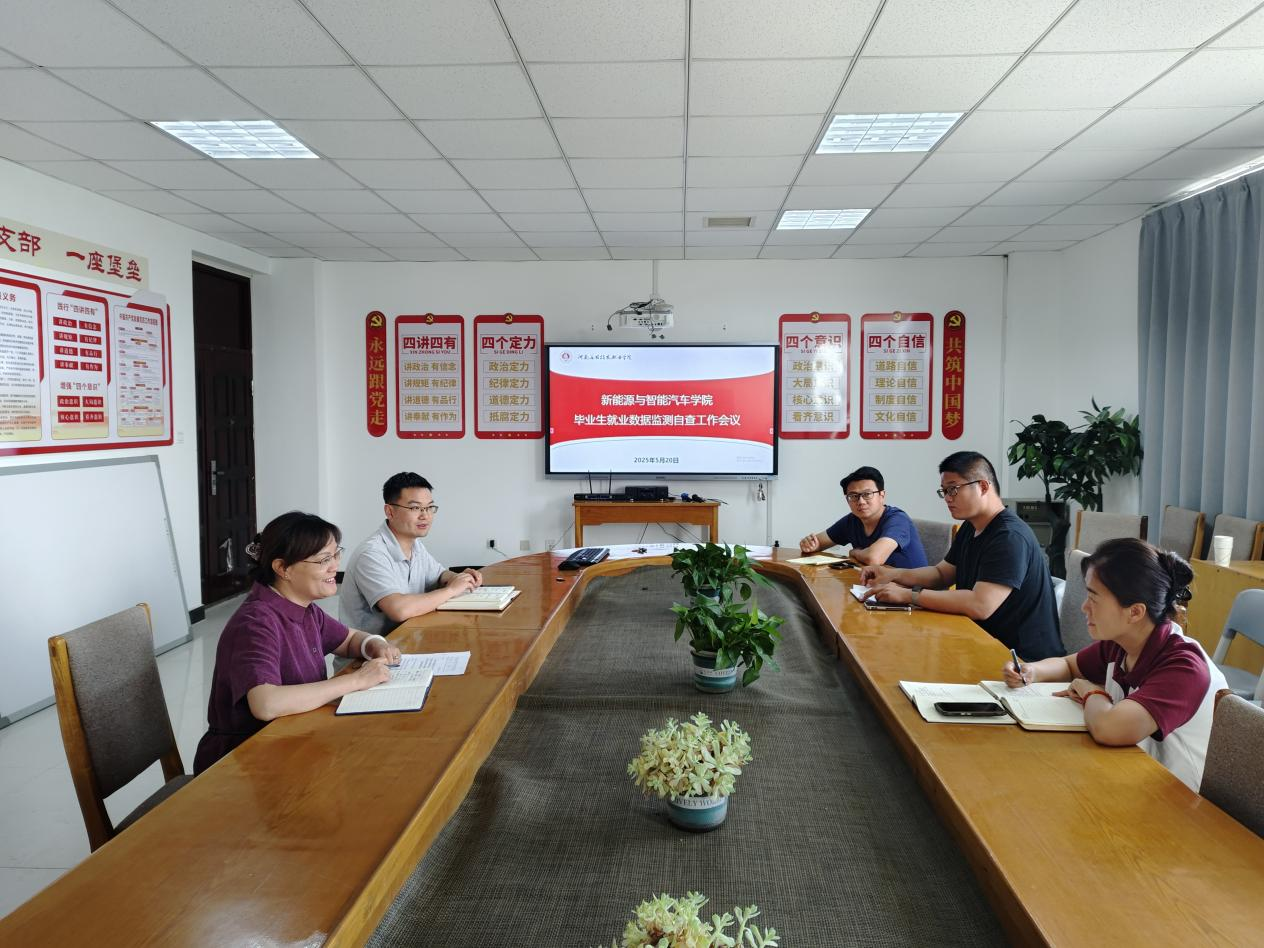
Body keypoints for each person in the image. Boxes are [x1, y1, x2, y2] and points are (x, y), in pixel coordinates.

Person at [1001, 538, 1227, 791]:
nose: (1084, 607)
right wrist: (1032, 671)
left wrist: (1090, 690)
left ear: (1135, 612)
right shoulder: (1123, 641)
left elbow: (1108, 728)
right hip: (1135, 775)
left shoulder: (1184, 667)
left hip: (1180, 798)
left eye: (1094, 598)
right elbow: (1069, 666)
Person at [193, 511, 402, 774]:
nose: (334, 566)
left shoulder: (304, 608)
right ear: (283, 568)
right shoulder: (255, 622)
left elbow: (348, 638)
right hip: (242, 764)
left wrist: (374, 644)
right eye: (323, 560)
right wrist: (356, 680)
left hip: (294, 740)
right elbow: (266, 704)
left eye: (336, 555)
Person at [861, 451, 1063, 661]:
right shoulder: (971, 526)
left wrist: (908, 595)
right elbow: (941, 574)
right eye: (944, 491)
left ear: (983, 486)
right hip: (979, 640)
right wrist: (892, 575)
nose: (948, 498)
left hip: (1021, 661)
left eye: (953, 489)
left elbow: (980, 605)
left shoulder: (1009, 536)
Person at [340, 472, 483, 636]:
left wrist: (460, 578)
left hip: (407, 637)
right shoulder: (371, 554)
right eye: (415, 508)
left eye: (429, 507)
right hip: (372, 650)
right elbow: (399, 610)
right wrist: (451, 590)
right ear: (390, 511)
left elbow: (439, 575)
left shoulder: (415, 544)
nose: (425, 515)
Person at [798, 465, 929, 569]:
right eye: (853, 496)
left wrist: (855, 552)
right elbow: (818, 543)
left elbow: (874, 558)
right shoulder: (852, 520)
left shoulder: (898, 519)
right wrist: (809, 545)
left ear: (882, 495)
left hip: (912, 590)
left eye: (867, 494)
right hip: (878, 586)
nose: (860, 501)